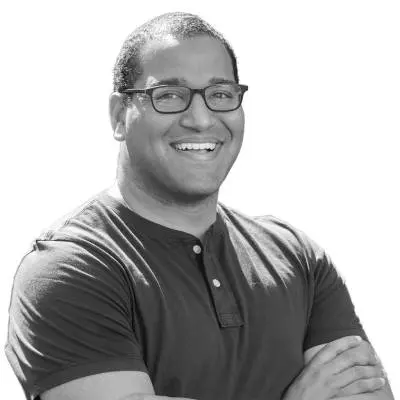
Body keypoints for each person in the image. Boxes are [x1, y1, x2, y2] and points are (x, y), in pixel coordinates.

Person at [5, 12, 394, 400]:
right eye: (169, 96)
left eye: (221, 94)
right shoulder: (69, 269)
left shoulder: (296, 257)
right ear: (119, 115)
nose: (201, 118)